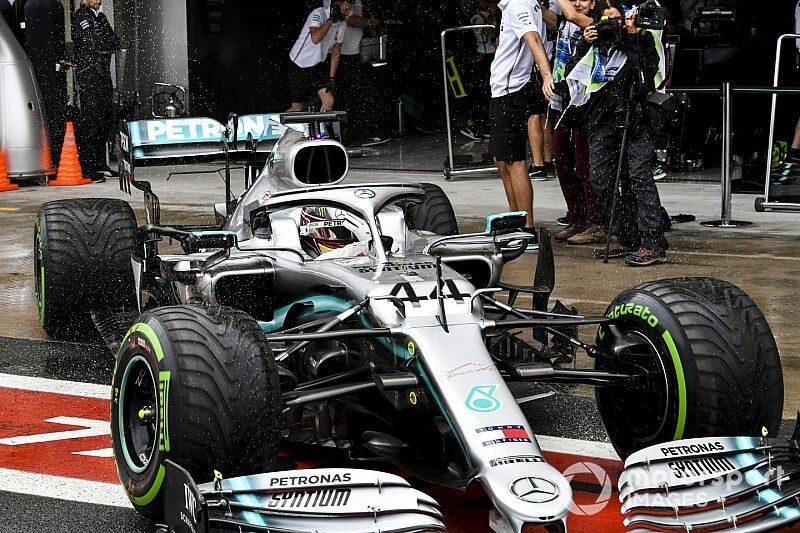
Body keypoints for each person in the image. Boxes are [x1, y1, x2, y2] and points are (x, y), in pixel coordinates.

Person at [568, 0, 668, 266]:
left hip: (635, 119)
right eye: (606, 22)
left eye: (616, 20)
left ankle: (652, 242)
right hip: (601, 119)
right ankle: (623, 235)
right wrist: (585, 44)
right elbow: (572, 77)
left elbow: (649, 76)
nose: (612, 26)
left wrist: (632, 40)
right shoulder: (591, 43)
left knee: (639, 178)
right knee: (600, 178)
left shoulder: (639, 39)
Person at [489, 0, 555, 249]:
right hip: (504, 90)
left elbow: (534, 39)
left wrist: (546, 74)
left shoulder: (518, 5)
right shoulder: (522, 4)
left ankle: (527, 229)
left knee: (514, 161)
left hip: (510, 91)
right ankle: (514, 220)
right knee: (501, 158)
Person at [542, 0, 605, 245]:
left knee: (585, 163)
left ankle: (597, 222)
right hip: (562, 98)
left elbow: (570, 14)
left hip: (587, 101)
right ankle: (577, 216)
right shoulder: (567, 21)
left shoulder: (595, 23)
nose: (577, 3)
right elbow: (553, 18)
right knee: (562, 161)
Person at [71, 0, 119, 183]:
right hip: (88, 75)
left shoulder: (102, 17)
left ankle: (100, 163)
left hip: (103, 74)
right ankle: (88, 167)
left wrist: (105, 47)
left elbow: (115, 41)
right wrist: (104, 47)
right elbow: (93, 43)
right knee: (90, 121)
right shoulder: (81, 17)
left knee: (105, 119)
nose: (99, 1)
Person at [287, 0, 353, 113]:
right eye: (346, 7)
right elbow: (315, 38)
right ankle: (280, 128)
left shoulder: (342, 24)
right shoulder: (318, 13)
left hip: (317, 63)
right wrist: (331, 20)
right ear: (337, 5)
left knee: (328, 101)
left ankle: (321, 129)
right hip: (299, 63)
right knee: (297, 108)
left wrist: (332, 78)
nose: (349, 9)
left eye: (350, 8)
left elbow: (336, 50)